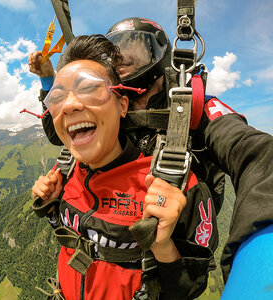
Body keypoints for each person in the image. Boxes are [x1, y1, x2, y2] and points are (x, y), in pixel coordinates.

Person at [28, 17, 273, 286]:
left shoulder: (192, 108)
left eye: (136, 53)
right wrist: (50, 80)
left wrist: (257, 266)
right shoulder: (111, 105)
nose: (122, 62)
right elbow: (62, 131)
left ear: (160, 59)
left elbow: (258, 156)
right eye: (116, 58)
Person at [31, 34, 217, 300]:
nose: (70, 105)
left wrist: (163, 246)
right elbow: (77, 234)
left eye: (90, 88)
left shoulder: (172, 187)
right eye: (58, 97)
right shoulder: (66, 170)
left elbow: (191, 288)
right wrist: (52, 208)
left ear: (122, 104)